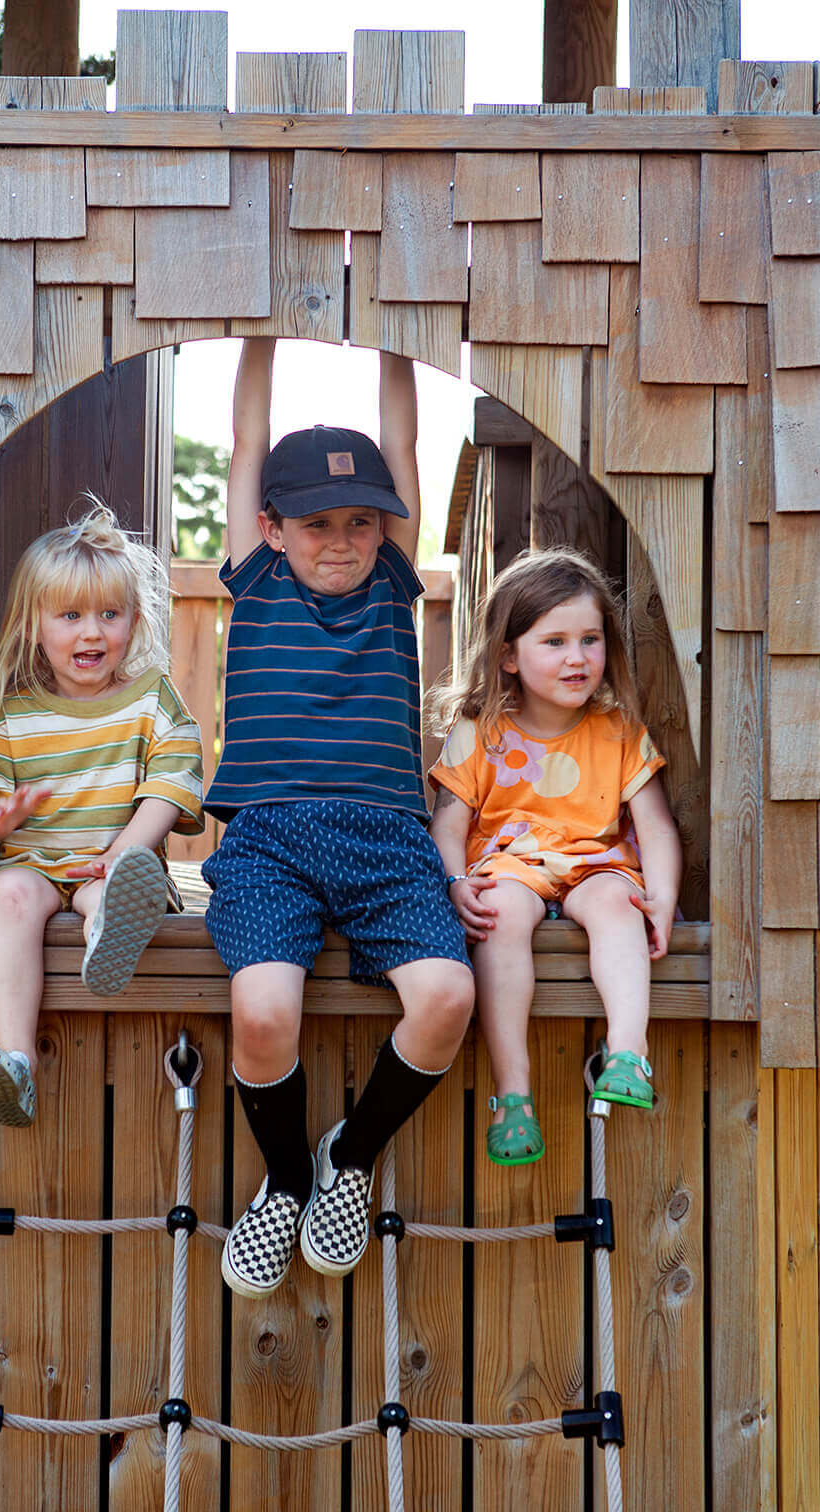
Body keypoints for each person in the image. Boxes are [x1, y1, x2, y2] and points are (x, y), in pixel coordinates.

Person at [203, 337, 475, 1298]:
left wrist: (397, 343)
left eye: (362, 522)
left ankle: (348, 1159)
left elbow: (405, 441)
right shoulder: (261, 580)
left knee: (446, 998)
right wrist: (260, 337)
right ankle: (283, 1181)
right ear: (272, 527)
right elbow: (247, 441)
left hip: (388, 842)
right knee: (264, 1010)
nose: (342, 540)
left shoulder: (393, 589)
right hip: (270, 840)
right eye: (318, 521)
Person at [0, 499, 204, 1127]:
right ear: (34, 625)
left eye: (108, 615)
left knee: (113, 891)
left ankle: (107, 939)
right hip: (34, 863)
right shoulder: (13, 714)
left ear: (134, 620)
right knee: (7, 893)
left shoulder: (151, 699)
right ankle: (16, 1063)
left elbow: (173, 781)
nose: (92, 632)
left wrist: (126, 849)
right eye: (70, 616)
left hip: (112, 862)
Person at [428, 548, 682, 1166]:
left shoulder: (617, 728)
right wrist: (456, 880)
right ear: (509, 655)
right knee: (501, 916)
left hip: (595, 862)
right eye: (556, 642)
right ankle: (513, 1093)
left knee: (619, 904)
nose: (577, 658)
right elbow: (448, 824)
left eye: (590, 639)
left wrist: (663, 897)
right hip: (509, 866)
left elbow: (655, 826)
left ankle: (628, 1052)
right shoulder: (482, 729)